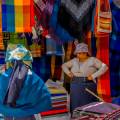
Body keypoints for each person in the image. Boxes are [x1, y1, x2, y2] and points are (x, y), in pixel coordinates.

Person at [0, 44, 52, 120]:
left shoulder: (4, 76)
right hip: (25, 114)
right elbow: (43, 95)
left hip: (9, 113)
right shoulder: (32, 76)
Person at [62, 43, 108, 113]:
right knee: (75, 103)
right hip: (75, 85)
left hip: (88, 84)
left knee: (88, 104)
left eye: (82, 53)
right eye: (78, 53)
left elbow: (105, 67)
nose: (80, 55)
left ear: (86, 52)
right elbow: (64, 65)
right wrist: (69, 73)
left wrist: (93, 76)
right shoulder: (74, 60)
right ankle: (75, 117)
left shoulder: (93, 60)